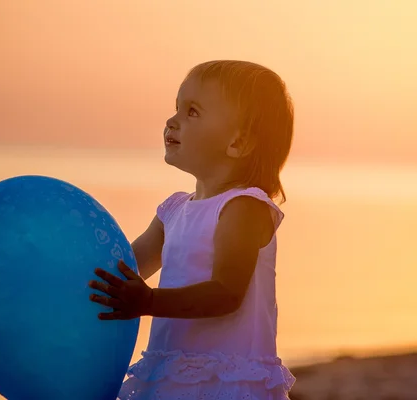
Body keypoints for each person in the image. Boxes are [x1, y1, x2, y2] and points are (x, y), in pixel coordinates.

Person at [89, 60, 296, 399]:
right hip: (171, 375)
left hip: (225, 381)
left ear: (238, 143)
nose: (172, 121)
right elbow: (125, 267)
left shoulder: (243, 207)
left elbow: (227, 293)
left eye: (193, 112)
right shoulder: (173, 209)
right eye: (176, 109)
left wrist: (149, 300)